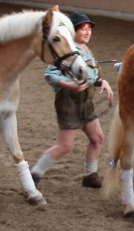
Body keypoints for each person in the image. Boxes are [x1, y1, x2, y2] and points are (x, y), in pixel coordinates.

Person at [31, 11, 115, 188]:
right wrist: (70, 86)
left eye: (89, 29)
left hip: (86, 100)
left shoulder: (86, 50)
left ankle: (90, 175)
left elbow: (89, 74)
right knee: (65, 145)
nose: (87, 32)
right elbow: (50, 75)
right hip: (68, 101)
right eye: (83, 29)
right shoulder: (66, 51)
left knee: (97, 138)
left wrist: (101, 81)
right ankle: (34, 174)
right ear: (72, 31)